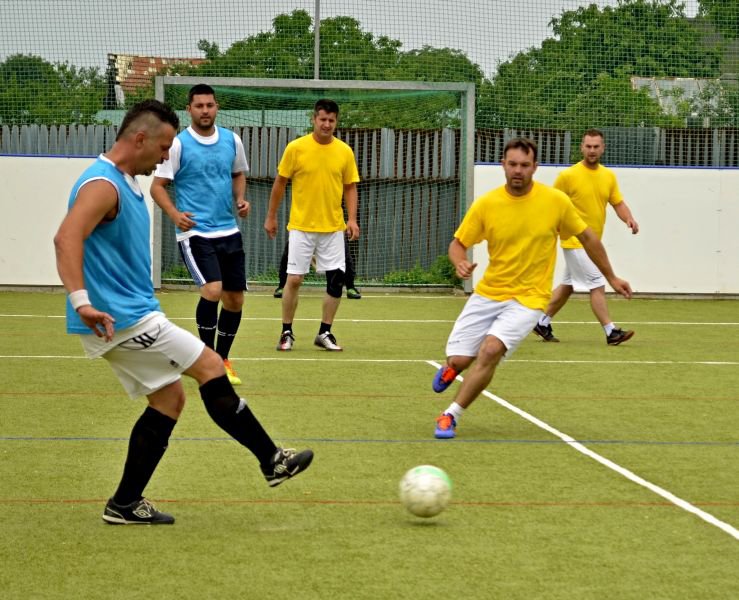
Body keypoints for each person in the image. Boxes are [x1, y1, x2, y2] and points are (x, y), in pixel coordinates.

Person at [54, 99, 313, 525]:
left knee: (169, 400)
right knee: (211, 366)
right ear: (140, 139)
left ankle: (124, 503)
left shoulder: (122, 181)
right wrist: (82, 302)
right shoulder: (103, 184)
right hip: (123, 319)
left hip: (129, 314)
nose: (164, 158)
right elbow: (66, 238)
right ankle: (272, 460)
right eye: (163, 148)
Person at [431, 138, 632, 439]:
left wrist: (611, 277)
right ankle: (454, 367)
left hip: (529, 299)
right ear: (503, 165)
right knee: (460, 359)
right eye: (512, 164)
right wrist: (459, 262)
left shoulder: (555, 202)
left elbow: (588, 238)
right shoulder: (487, 204)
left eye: (525, 165)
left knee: (491, 350)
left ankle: (450, 415)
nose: (518, 170)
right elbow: (458, 244)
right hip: (488, 294)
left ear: (535, 167)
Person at [150, 83, 249, 386]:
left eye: (210, 105)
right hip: (196, 234)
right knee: (213, 290)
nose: (205, 111)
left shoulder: (232, 140)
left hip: (228, 230)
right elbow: (157, 186)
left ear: (217, 107)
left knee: (234, 300)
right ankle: (207, 359)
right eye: (199, 106)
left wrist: (240, 199)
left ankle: (222, 359)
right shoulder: (178, 145)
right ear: (189, 110)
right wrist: (174, 214)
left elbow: (238, 174)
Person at [264, 98, 360, 352]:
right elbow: (280, 183)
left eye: (331, 120)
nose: (326, 124)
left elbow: (350, 186)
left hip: (333, 228)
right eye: (322, 119)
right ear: (314, 119)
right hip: (301, 226)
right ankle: (286, 332)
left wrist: (351, 219)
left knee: (336, 280)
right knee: (294, 279)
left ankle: (325, 332)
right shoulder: (296, 148)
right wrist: (271, 216)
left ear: (336, 122)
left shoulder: (344, 151)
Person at [533, 129, 639, 345]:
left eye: (596, 146)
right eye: (588, 146)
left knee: (568, 285)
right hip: (574, 241)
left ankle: (541, 322)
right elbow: (553, 205)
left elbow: (617, 203)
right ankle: (611, 332)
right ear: (581, 147)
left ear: (603, 148)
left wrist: (629, 218)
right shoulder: (568, 176)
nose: (592, 150)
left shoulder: (608, 176)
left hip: (592, 243)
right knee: (597, 284)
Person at [273, 236, 361, 299]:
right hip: (304, 227)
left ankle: (350, 287)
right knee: (288, 253)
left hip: (331, 227)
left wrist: (352, 220)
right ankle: (282, 286)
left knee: (344, 254)